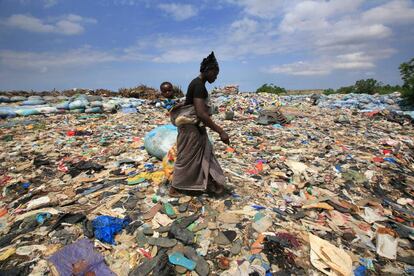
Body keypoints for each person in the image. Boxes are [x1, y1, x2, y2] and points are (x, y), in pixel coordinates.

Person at [169, 51, 229, 197]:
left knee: (203, 155)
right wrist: (220, 131)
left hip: (195, 128)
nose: (216, 77)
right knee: (187, 158)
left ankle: (209, 183)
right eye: (215, 73)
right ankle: (175, 187)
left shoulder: (198, 84)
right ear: (208, 70)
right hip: (190, 130)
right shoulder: (199, 86)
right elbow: (201, 113)